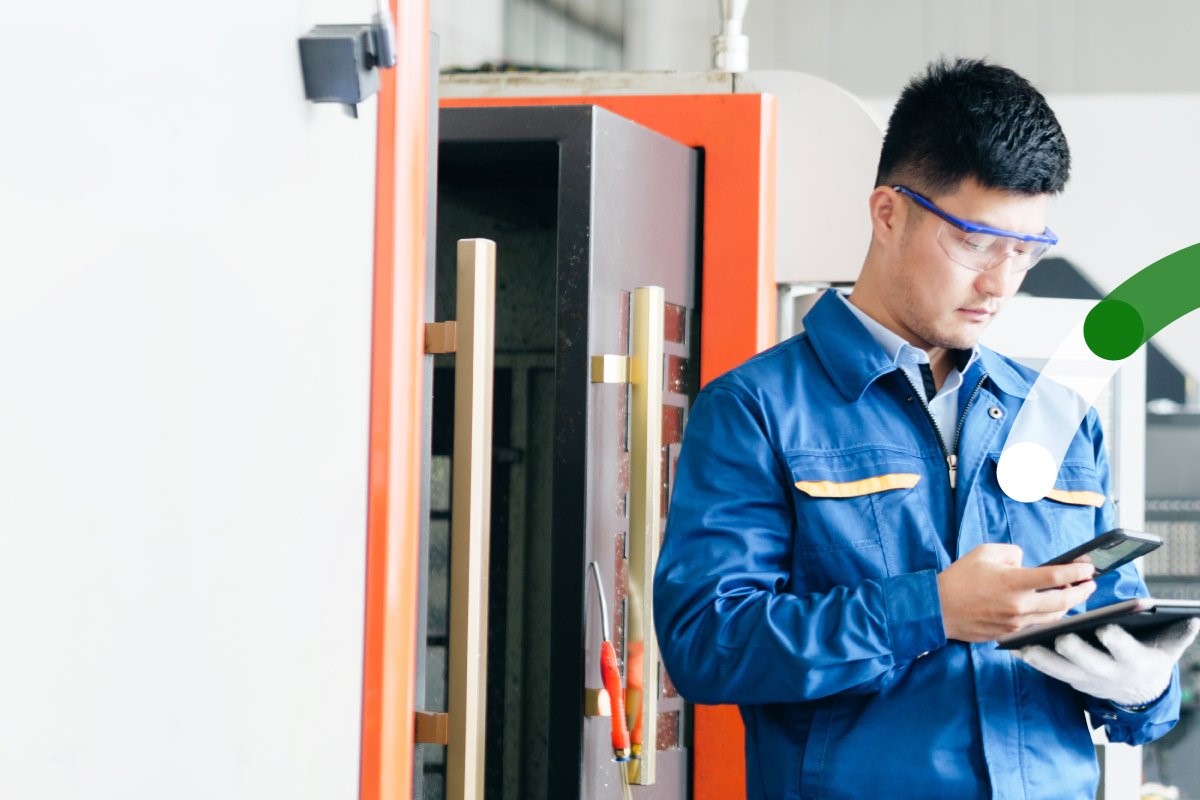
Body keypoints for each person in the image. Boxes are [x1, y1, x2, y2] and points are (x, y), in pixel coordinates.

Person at [653, 58, 1199, 800]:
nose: (999, 283)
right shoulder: (757, 409)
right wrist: (931, 610)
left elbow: (1132, 681)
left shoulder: (1061, 417)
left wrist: (1146, 687)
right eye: (976, 242)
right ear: (888, 213)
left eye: (1025, 251)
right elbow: (707, 647)